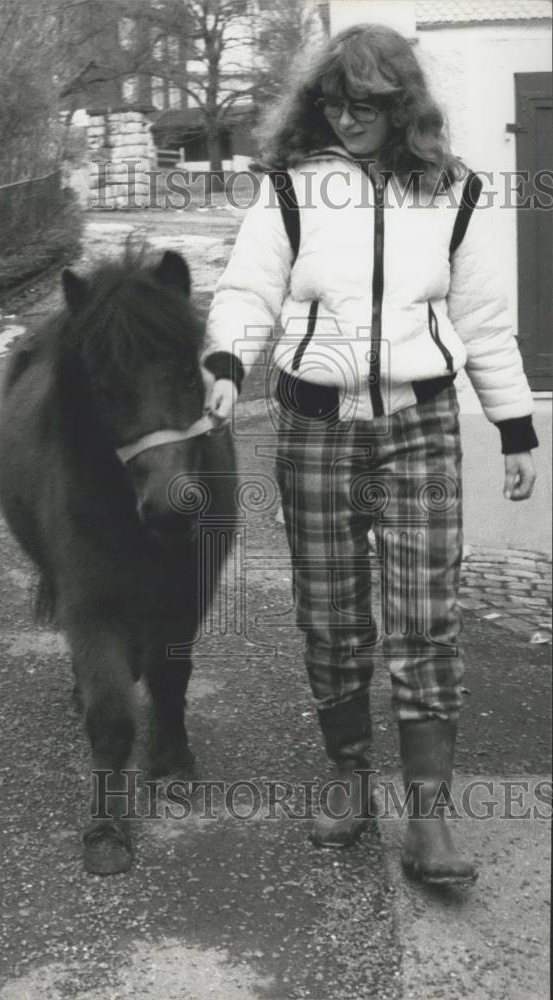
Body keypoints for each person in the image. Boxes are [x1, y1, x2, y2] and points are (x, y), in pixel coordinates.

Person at [202, 23, 538, 886]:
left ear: (403, 107)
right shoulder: (290, 189)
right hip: (314, 425)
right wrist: (227, 364)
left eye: (368, 106)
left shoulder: (455, 194)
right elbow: (249, 288)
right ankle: (350, 780)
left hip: (419, 427)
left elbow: (486, 324)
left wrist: (513, 426)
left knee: (426, 618)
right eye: (335, 103)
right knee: (333, 615)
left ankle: (429, 820)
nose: (348, 120)